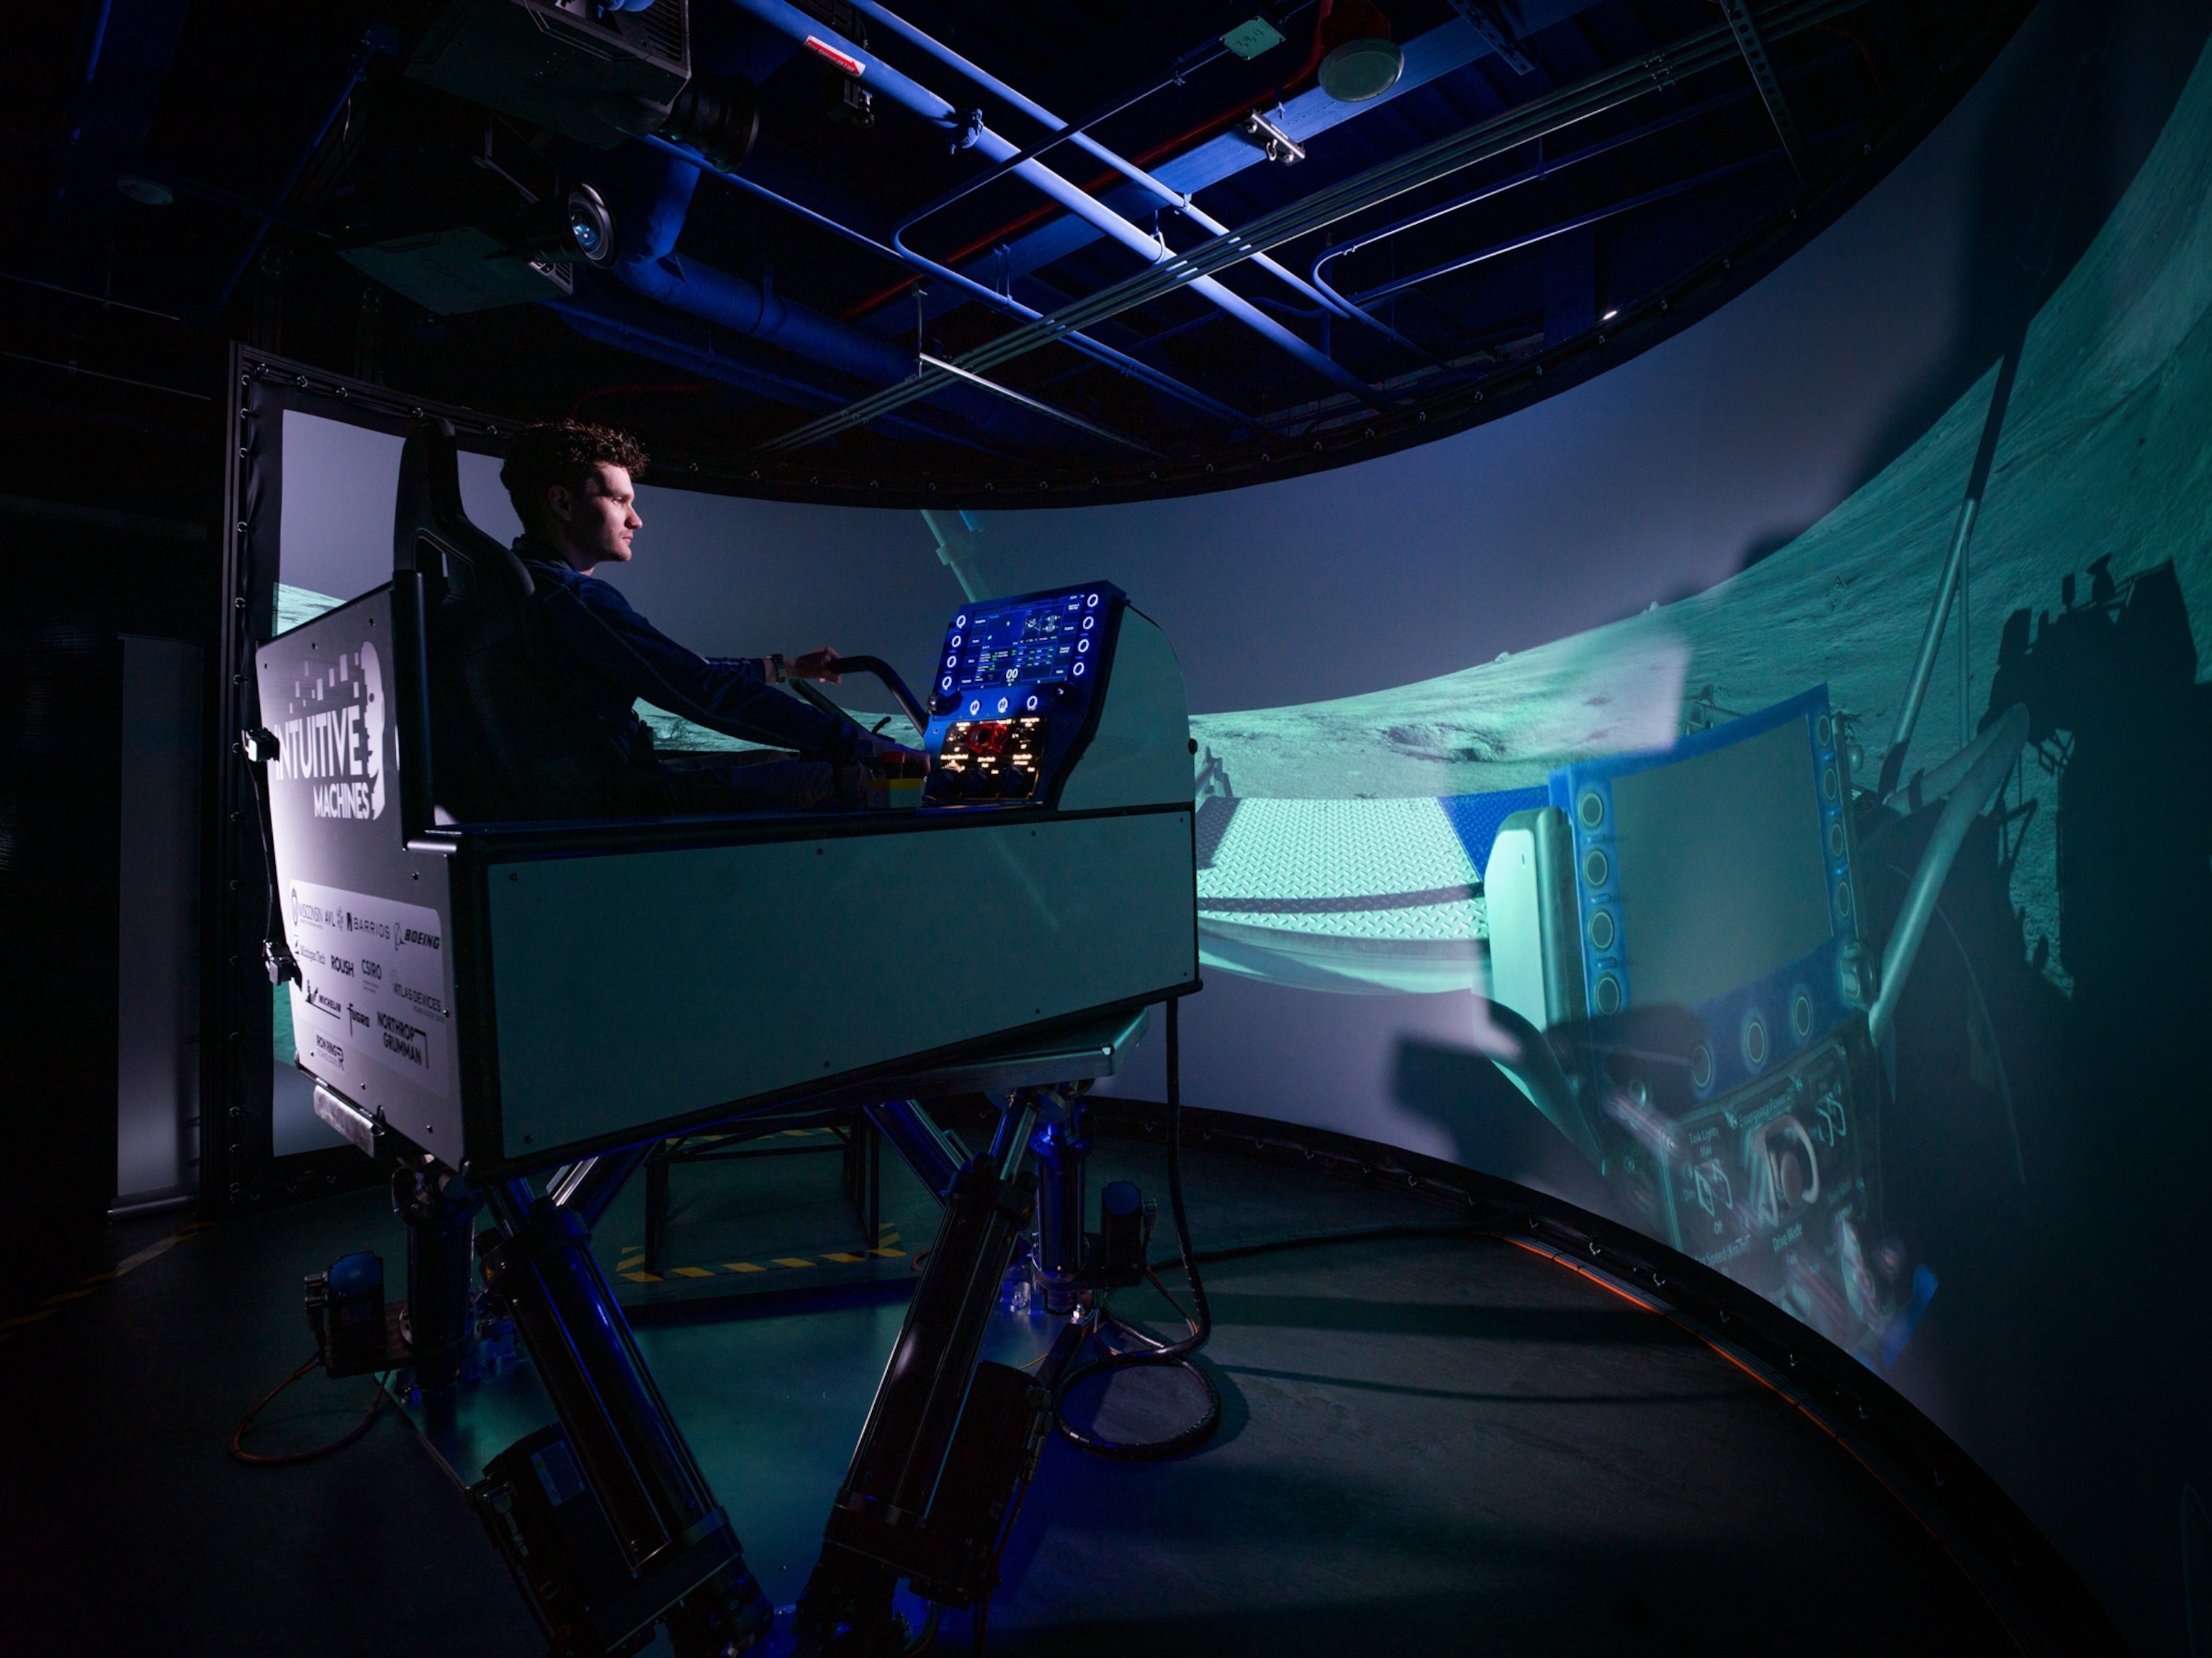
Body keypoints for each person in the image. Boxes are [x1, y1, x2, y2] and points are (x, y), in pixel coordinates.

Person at [496, 420, 912, 813]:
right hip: (618, 797)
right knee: (851, 781)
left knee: (773, 759)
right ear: (562, 503)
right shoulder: (574, 599)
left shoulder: (524, 585)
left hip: (591, 786)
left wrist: (787, 668)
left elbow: (676, 668)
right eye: (618, 500)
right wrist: (863, 745)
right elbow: (699, 689)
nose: (635, 520)